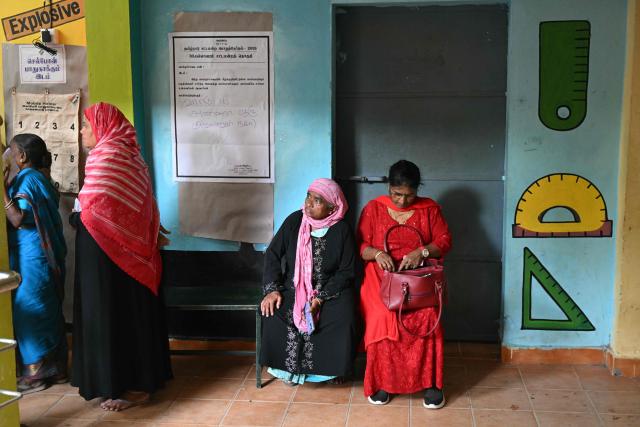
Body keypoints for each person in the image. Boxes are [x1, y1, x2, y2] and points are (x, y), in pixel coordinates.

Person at [70, 102, 172, 411]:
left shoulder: (109, 158)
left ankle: (134, 388)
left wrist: (79, 213)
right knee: (120, 315)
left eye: (87, 126)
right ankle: (124, 382)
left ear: (103, 127)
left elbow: (96, 209)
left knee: (116, 315)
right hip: (118, 256)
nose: (83, 131)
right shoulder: (126, 156)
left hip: (114, 258)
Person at [358, 160, 452, 408]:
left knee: (428, 316)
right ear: (389, 187)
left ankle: (431, 385)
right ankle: (382, 383)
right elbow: (360, 245)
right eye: (396, 194)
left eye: (409, 195)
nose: (401, 201)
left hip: (418, 280)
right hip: (381, 279)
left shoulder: (430, 209)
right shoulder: (373, 208)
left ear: (417, 189)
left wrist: (421, 252)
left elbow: (444, 240)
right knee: (381, 316)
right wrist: (377, 254)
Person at [260, 178, 357, 385]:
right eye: (308, 197)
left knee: (343, 316)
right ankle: (288, 370)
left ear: (332, 208)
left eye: (317, 200)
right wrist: (272, 290)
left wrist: (320, 298)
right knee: (275, 310)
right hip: (294, 287)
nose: (308, 203)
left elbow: (346, 271)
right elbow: (273, 254)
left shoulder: (342, 230)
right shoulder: (295, 221)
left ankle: (328, 372)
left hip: (330, 291)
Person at [3, 134, 67, 394]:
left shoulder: (29, 179)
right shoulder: (38, 177)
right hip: (40, 255)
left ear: (22, 157)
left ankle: (36, 374)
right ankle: (57, 369)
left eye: (12, 151)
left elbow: (17, 219)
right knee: (46, 308)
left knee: (28, 309)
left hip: (32, 257)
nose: (9, 155)